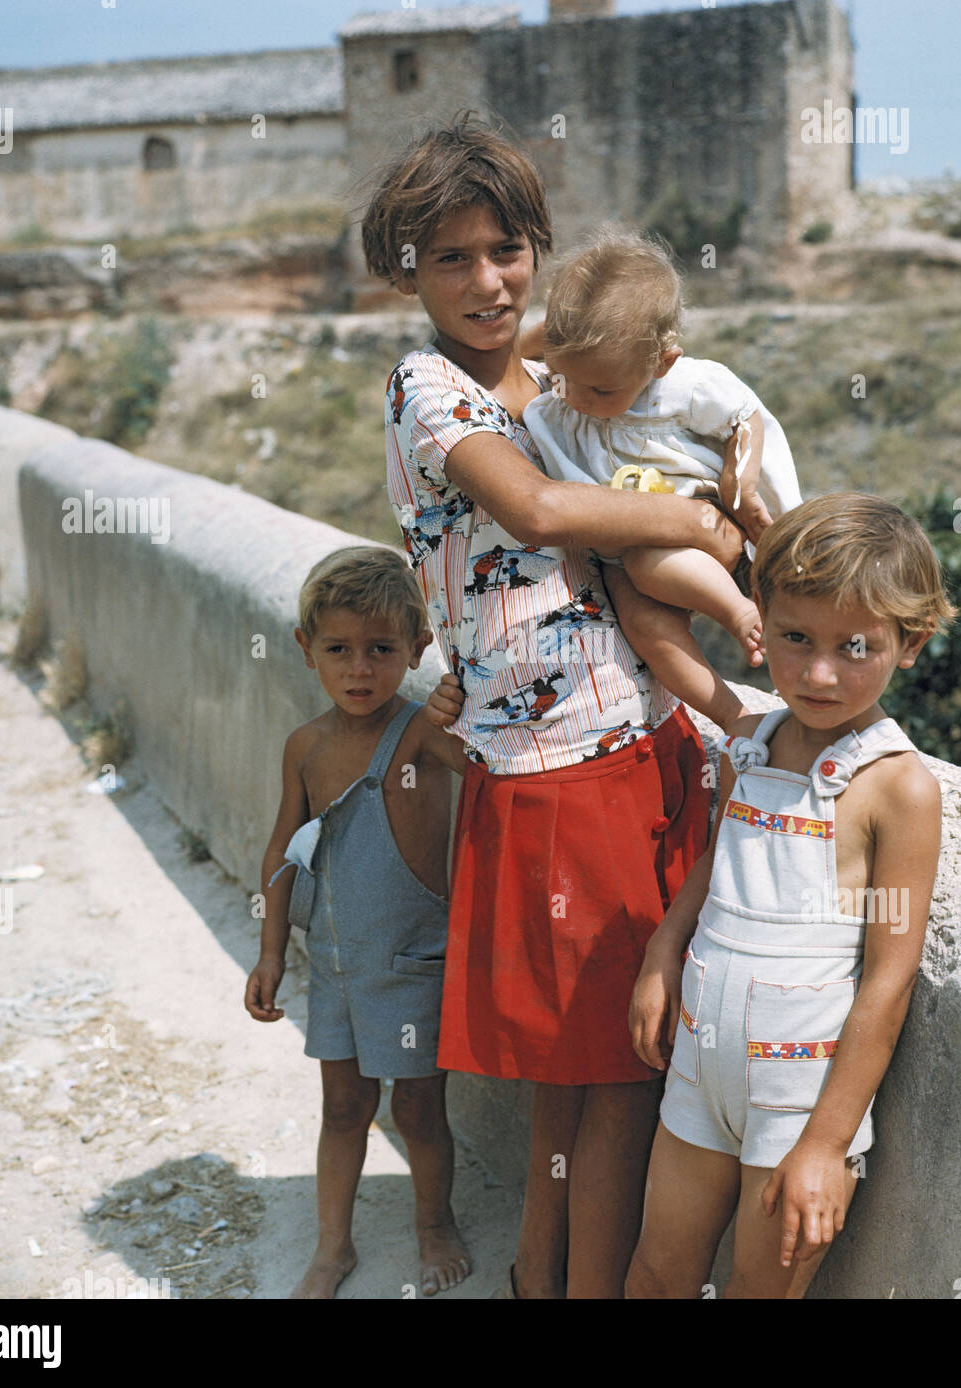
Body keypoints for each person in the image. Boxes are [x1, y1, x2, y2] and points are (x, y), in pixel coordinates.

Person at [362, 113, 746, 1298]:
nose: (487, 281)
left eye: (507, 250)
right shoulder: (428, 388)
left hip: (641, 737)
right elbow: (535, 515)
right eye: (451, 259)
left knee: (591, 1084)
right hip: (555, 770)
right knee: (607, 1083)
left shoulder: (555, 376)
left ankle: (544, 1283)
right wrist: (694, 524)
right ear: (409, 273)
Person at [625, 493, 957, 1299]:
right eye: (794, 638)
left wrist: (825, 1144)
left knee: (759, 1290)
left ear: (908, 643)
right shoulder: (753, 743)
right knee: (657, 1275)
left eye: (855, 648)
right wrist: (663, 950)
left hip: (799, 1099)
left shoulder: (896, 787)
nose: (817, 672)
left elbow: (888, 979)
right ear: (759, 622)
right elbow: (715, 864)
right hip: (701, 1067)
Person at [243, 546, 473, 1298]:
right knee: (343, 1106)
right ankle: (332, 1246)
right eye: (339, 650)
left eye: (381, 650)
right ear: (307, 651)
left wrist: (462, 697)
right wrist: (271, 951)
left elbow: (491, 766)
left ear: (417, 648)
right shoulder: (304, 748)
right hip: (336, 967)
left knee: (416, 1107)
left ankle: (434, 1223)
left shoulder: (420, 736)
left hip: (411, 966)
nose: (360, 669)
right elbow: (283, 849)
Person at [519, 224, 802, 729]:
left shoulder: (683, 386)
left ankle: (740, 613)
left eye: (601, 392)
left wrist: (741, 479)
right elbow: (512, 361)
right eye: (563, 379)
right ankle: (735, 718)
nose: (579, 399)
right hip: (624, 552)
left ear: (661, 363)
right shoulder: (565, 392)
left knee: (648, 564)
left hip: (701, 525)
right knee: (644, 626)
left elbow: (745, 415)